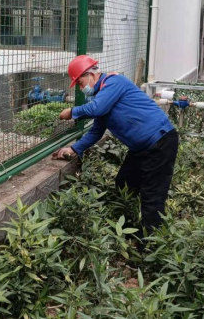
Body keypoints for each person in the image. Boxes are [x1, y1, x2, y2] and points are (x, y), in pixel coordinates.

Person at [53, 55, 179, 238]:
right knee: (124, 184)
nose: (81, 89)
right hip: (141, 148)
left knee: (152, 197)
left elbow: (96, 109)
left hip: (160, 142)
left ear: (91, 74)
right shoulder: (102, 96)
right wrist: (74, 149)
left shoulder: (114, 82)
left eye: (80, 83)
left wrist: (72, 112)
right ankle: (127, 230)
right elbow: (96, 131)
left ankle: (151, 245)